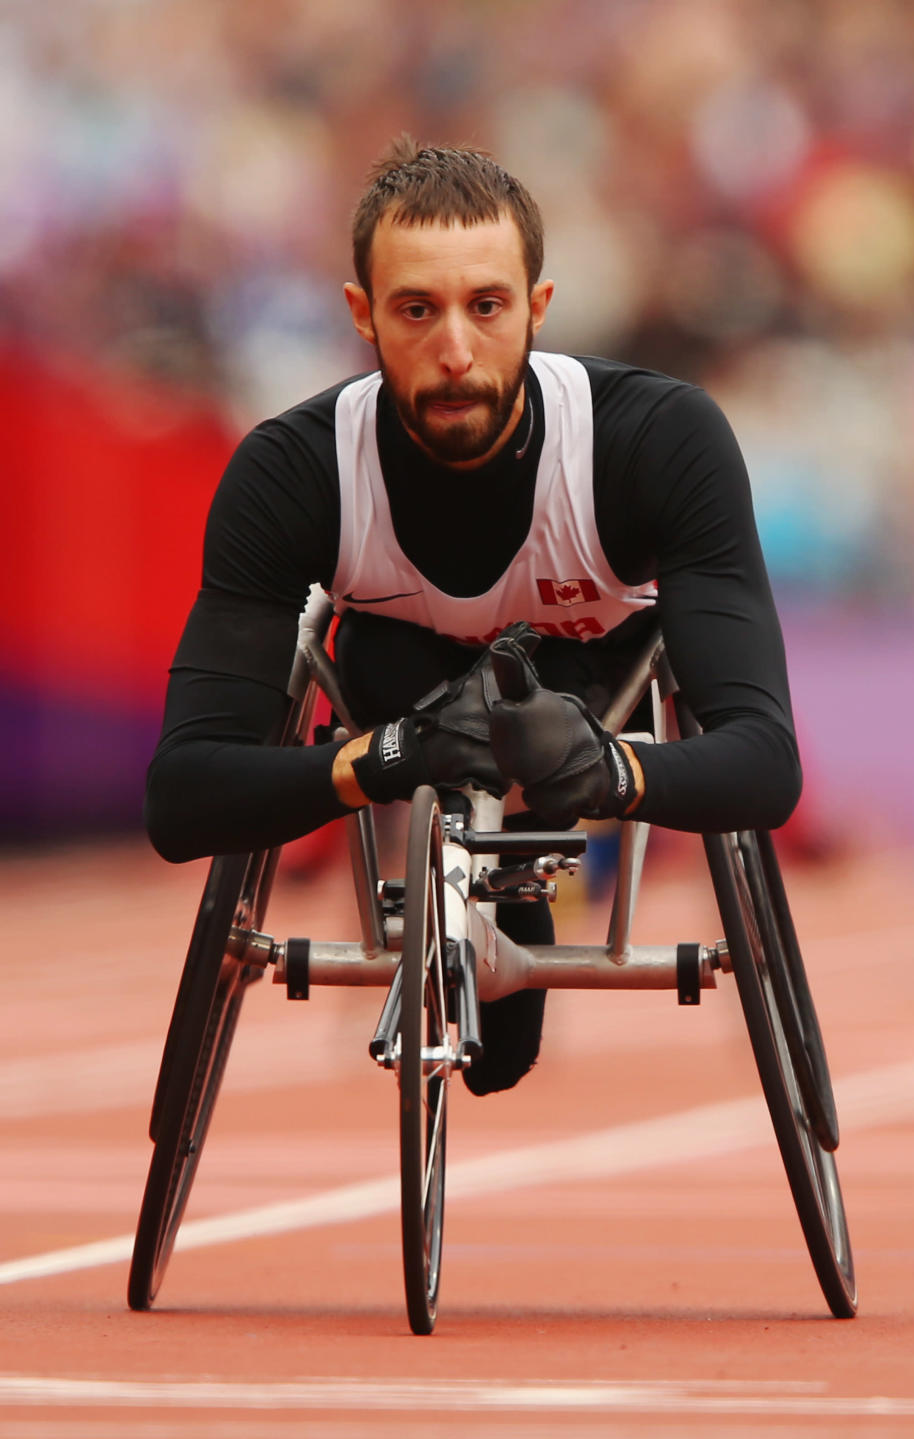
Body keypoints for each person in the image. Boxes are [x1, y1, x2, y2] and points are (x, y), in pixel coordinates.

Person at [145, 135, 802, 1094]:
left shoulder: (657, 441)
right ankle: (470, 877)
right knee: (382, 674)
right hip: (399, 700)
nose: (456, 351)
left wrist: (605, 770)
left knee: (500, 1056)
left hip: (591, 704)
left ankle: (511, 878)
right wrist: (383, 758)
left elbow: (766, 761)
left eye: (486, 306)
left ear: (537, 307)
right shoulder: (293, 471)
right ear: (363, 315)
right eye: (417, 310)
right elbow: (183, 796)